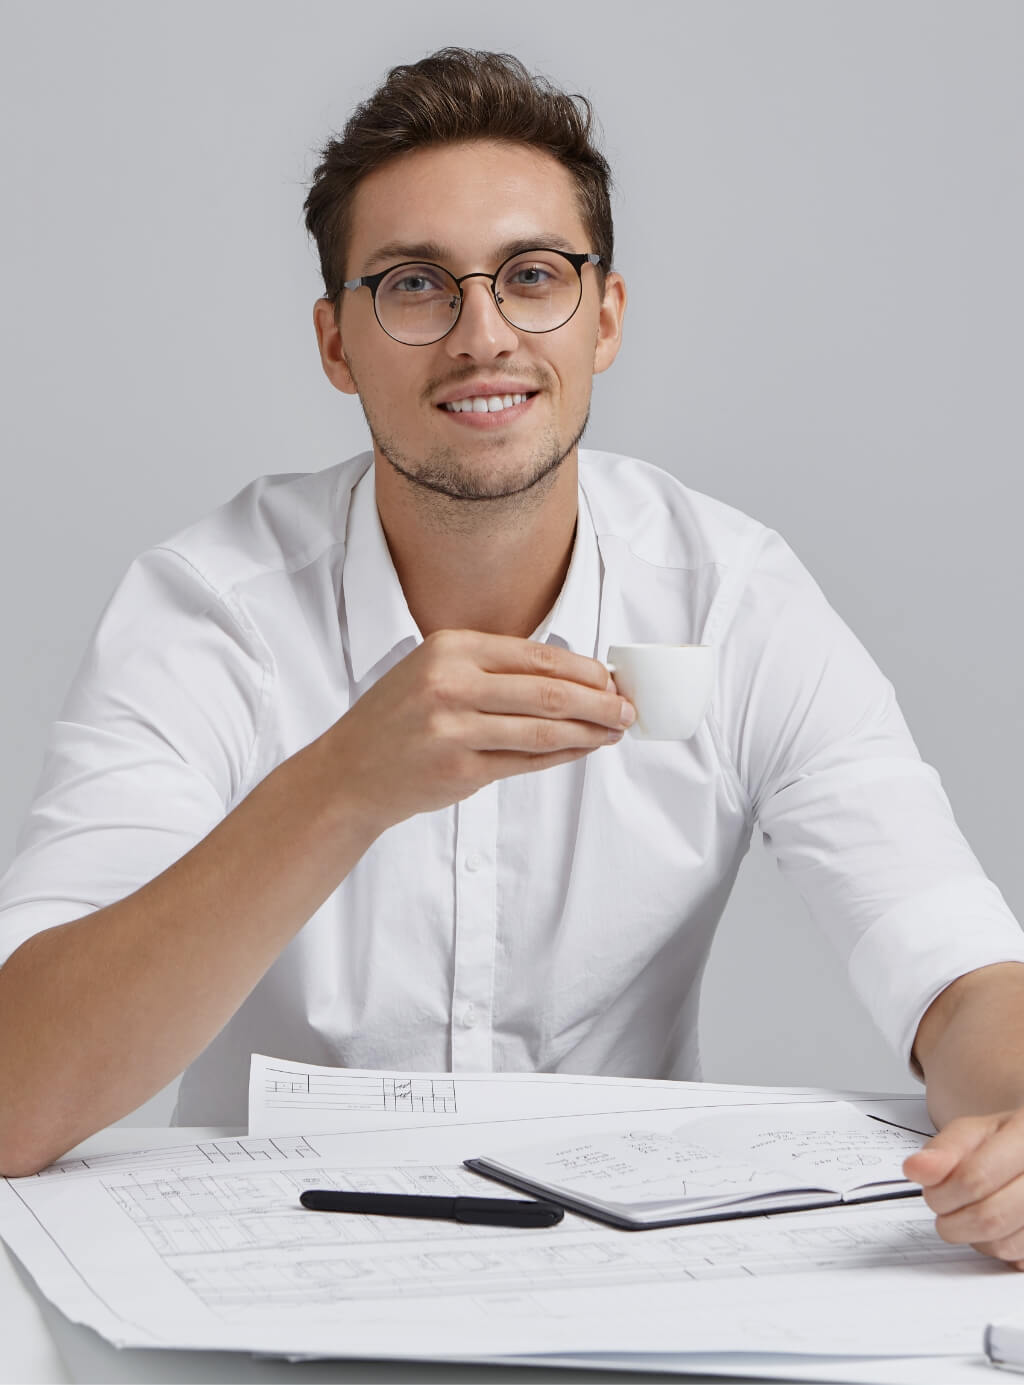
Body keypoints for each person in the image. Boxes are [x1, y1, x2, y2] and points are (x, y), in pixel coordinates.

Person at [1, 47, 1023, 1271]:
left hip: (627, 1280)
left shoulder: (735, 596)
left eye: (532, 275)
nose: (482, 335)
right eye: (416, 285)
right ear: (336, 343)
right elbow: (19, 1092)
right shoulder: (208, 608)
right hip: (263, 1274)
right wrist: (343, 782)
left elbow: (955, 973)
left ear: (605, 316)